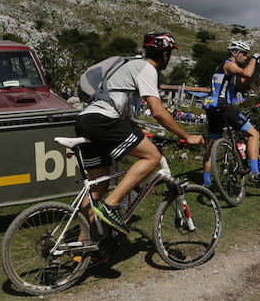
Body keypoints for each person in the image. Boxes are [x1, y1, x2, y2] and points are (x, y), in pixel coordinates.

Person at [75, 32, 204, 234]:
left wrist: (137, 130)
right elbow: (158, 112)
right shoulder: (147, 68)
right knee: (153, 156)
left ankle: (84, 247)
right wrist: (187, 136)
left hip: (86, 119)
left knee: (98, 188)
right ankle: (111, 206)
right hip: (103, 121)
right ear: (165, 55)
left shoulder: (128, 67)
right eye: (168, 53)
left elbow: (122, 114)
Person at [201, 40, 260, 186]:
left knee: (212, 144)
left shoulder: (223, 66)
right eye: (244, 54)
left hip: (211, 107)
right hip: (223, 106)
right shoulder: (229, 65)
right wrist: (255, 58)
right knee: (253, 134)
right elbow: (247, 73)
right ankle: (255, 172)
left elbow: (244, 79)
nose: (246, 57)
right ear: (234, 53)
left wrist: (253, 66)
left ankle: (206, 182)